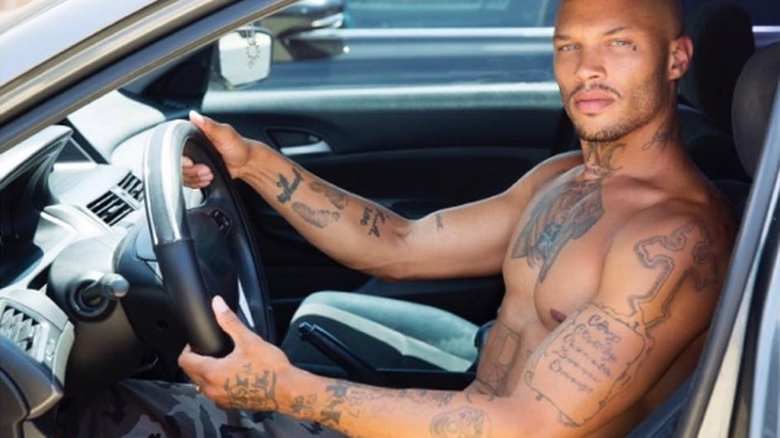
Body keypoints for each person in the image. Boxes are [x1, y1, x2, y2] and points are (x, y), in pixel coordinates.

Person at [56, 0, 737, 436]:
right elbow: (400, 245)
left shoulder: (675, 240)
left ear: (675, 58)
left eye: (619, 44)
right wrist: (254, 163)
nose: (586, 70)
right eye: (568, 46)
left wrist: (287, 389)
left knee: (105, 417)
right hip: (474, 412)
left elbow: (528, 425)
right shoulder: (563, 178)